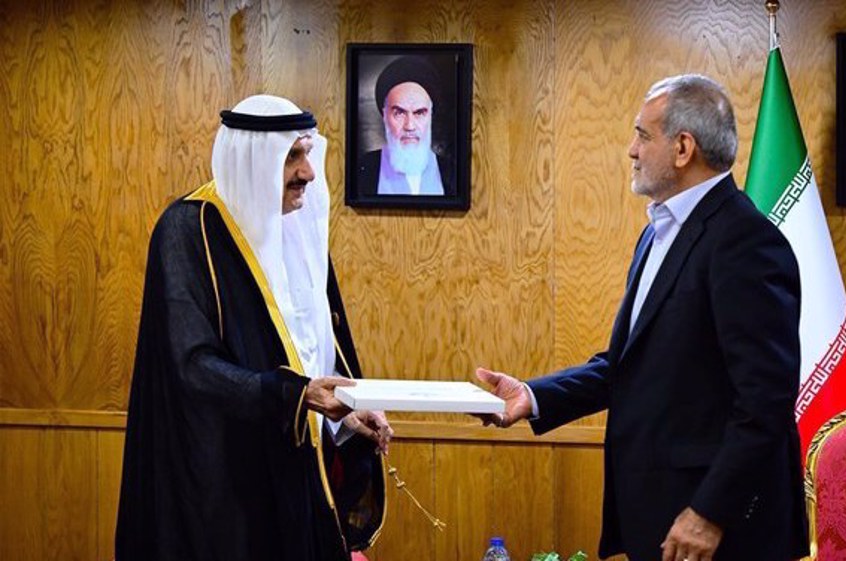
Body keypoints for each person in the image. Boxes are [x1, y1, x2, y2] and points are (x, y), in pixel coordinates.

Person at [476, 75, 809, 561]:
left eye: (642, 135)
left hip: (719, 532)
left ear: (682, 148)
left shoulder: (745, 241)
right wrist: (532, 396)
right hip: (658, 515)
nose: (632, 150)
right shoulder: (657, 233)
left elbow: (765, 401)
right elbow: (627, 366)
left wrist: (709, 512)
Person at [116, 95, 391, 561]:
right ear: (253, 160)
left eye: (307, 153)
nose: (307, 172)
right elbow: (192, 366)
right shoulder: (188, 231)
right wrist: (297, 396)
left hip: (294, 469)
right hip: (221, 487)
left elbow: (316, 348)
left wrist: (344, 415)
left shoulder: (298, 228)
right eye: (292, 157)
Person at [357, 56, 455, 197]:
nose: (409, 126)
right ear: (384, 115)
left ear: (431, 116)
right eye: (399, 113)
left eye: (419, 113)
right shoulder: (362, 171)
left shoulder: (452, 173)